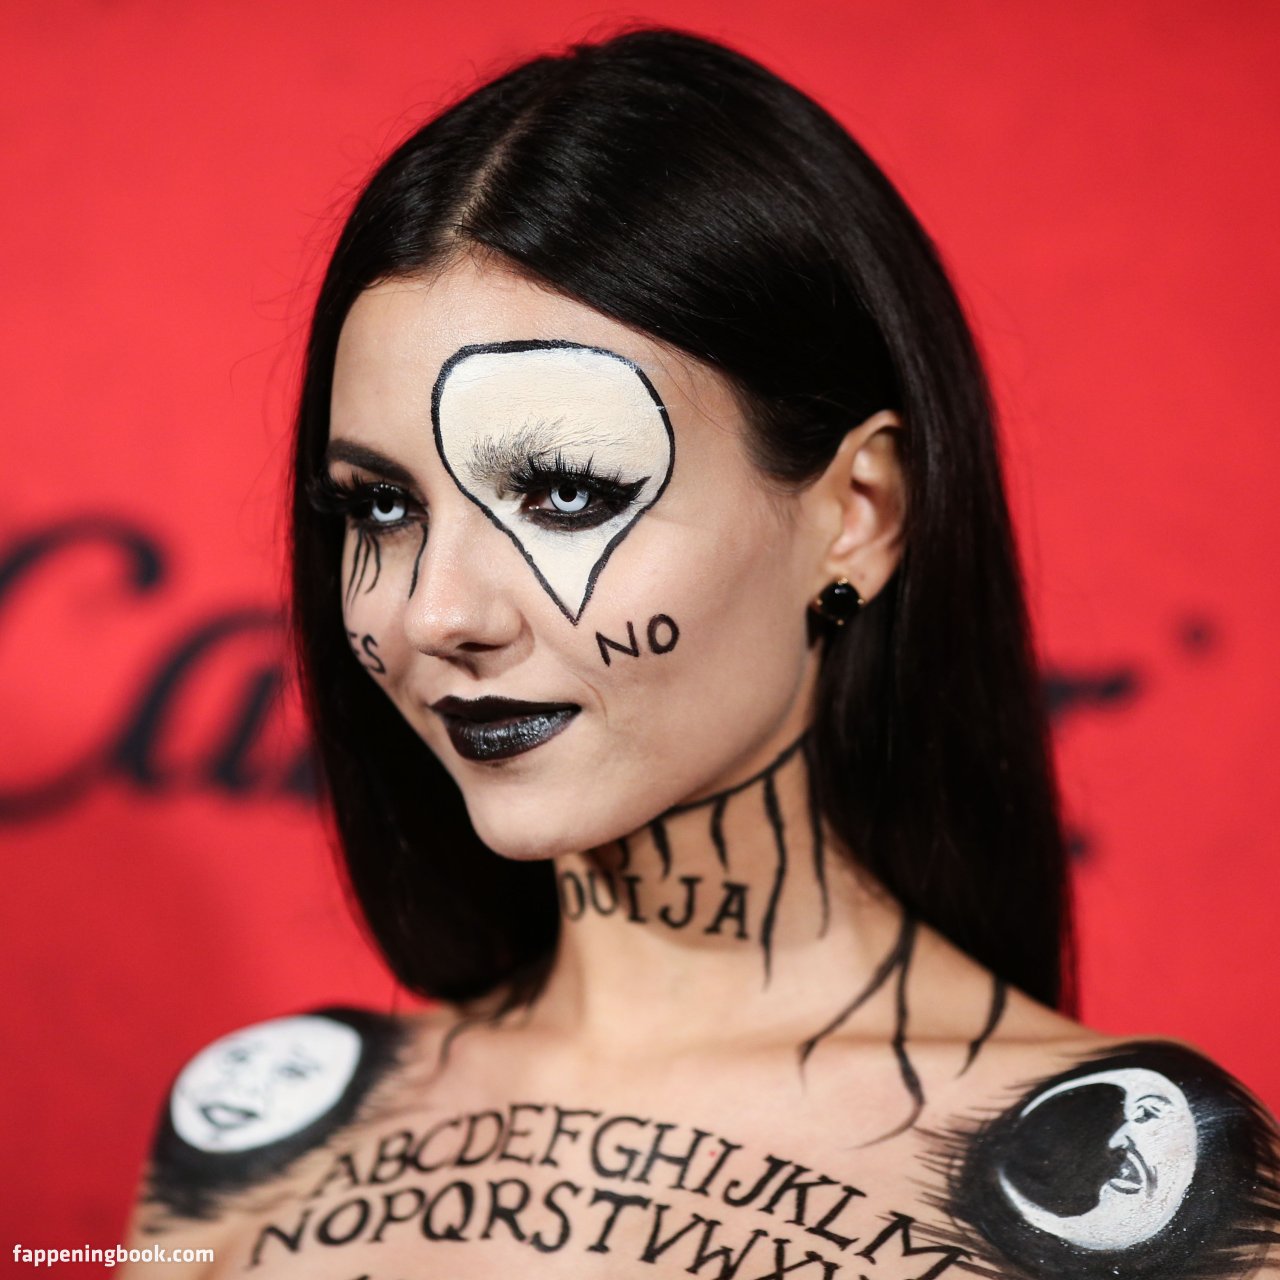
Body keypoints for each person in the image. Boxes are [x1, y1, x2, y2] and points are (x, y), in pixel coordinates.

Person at [121, 27, 1279, 1279]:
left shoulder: (1138, 1193)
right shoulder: (256, 1145)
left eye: (565, 491)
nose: (435, 611)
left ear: (857, 512)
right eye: (382, 505)